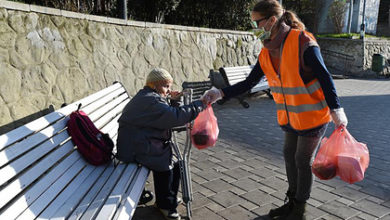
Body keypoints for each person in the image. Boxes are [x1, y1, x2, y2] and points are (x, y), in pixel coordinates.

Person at [202, 0, 348, 219]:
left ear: (271, 21)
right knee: (289, 154)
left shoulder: (302, 42)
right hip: (290, 117)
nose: (254, 29)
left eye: (256, 23)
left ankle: (299, 210)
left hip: (313, 115)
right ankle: (291, 201)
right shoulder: (267, 51)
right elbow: (249, 82)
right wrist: (220, 93)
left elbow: (325, 76)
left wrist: (336, 110)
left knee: (301, 159)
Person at [116, 68, 206, 220]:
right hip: (134, 147)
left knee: (175, 162)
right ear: (153, 85)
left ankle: (166, 198)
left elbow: (168, 118)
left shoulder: (150, 96)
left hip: (139, 141)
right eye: (165, 86)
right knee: (166, 162)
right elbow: (173, 117)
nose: (168, 90)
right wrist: (199, 105)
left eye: (169, 86)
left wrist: (175, 101)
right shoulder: (150, 100)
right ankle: (165, 204)